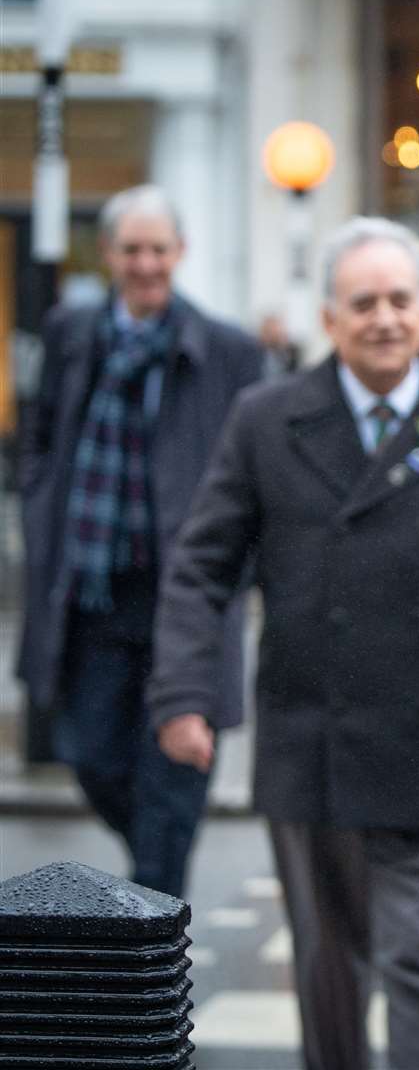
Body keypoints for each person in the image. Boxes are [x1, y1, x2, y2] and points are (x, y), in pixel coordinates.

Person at [148, 217, 419, 1070]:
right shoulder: (268, 419)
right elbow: (203, 568)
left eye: (400, 299)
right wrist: (182, 694)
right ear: (330, 318)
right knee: (328, 971)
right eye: (364, 303)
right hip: (308, 747)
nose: (385, 318)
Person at [15, 184, 264, 898]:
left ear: (179, 253)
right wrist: (40, 511)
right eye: (132, 249)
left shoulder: (230, 352)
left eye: (159, 249)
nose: (146, 264)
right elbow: (38, 438)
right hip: (91, 596)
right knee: (91, 758)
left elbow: (252, 476)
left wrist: (236, 567)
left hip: (182, 601)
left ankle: (154, 913)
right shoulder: (72, 333)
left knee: (176, 773)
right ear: (110, 255)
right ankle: (153, 879)